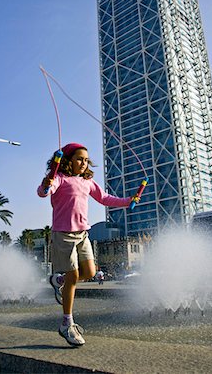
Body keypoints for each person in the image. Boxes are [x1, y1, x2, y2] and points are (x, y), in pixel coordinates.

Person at [37, 142, 136, 347]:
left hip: (83, 234)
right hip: (63, 234)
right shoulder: (60, 179)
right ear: (68, 161)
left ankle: (59, 281)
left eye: (85, 160)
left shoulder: (87, 182)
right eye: (79, 159)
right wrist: (46, 183)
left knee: (90, 272)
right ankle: (67, 323)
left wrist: (127, 201)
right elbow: (44, 191)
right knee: (73, 276)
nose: (83, 163)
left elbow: (105, 198)